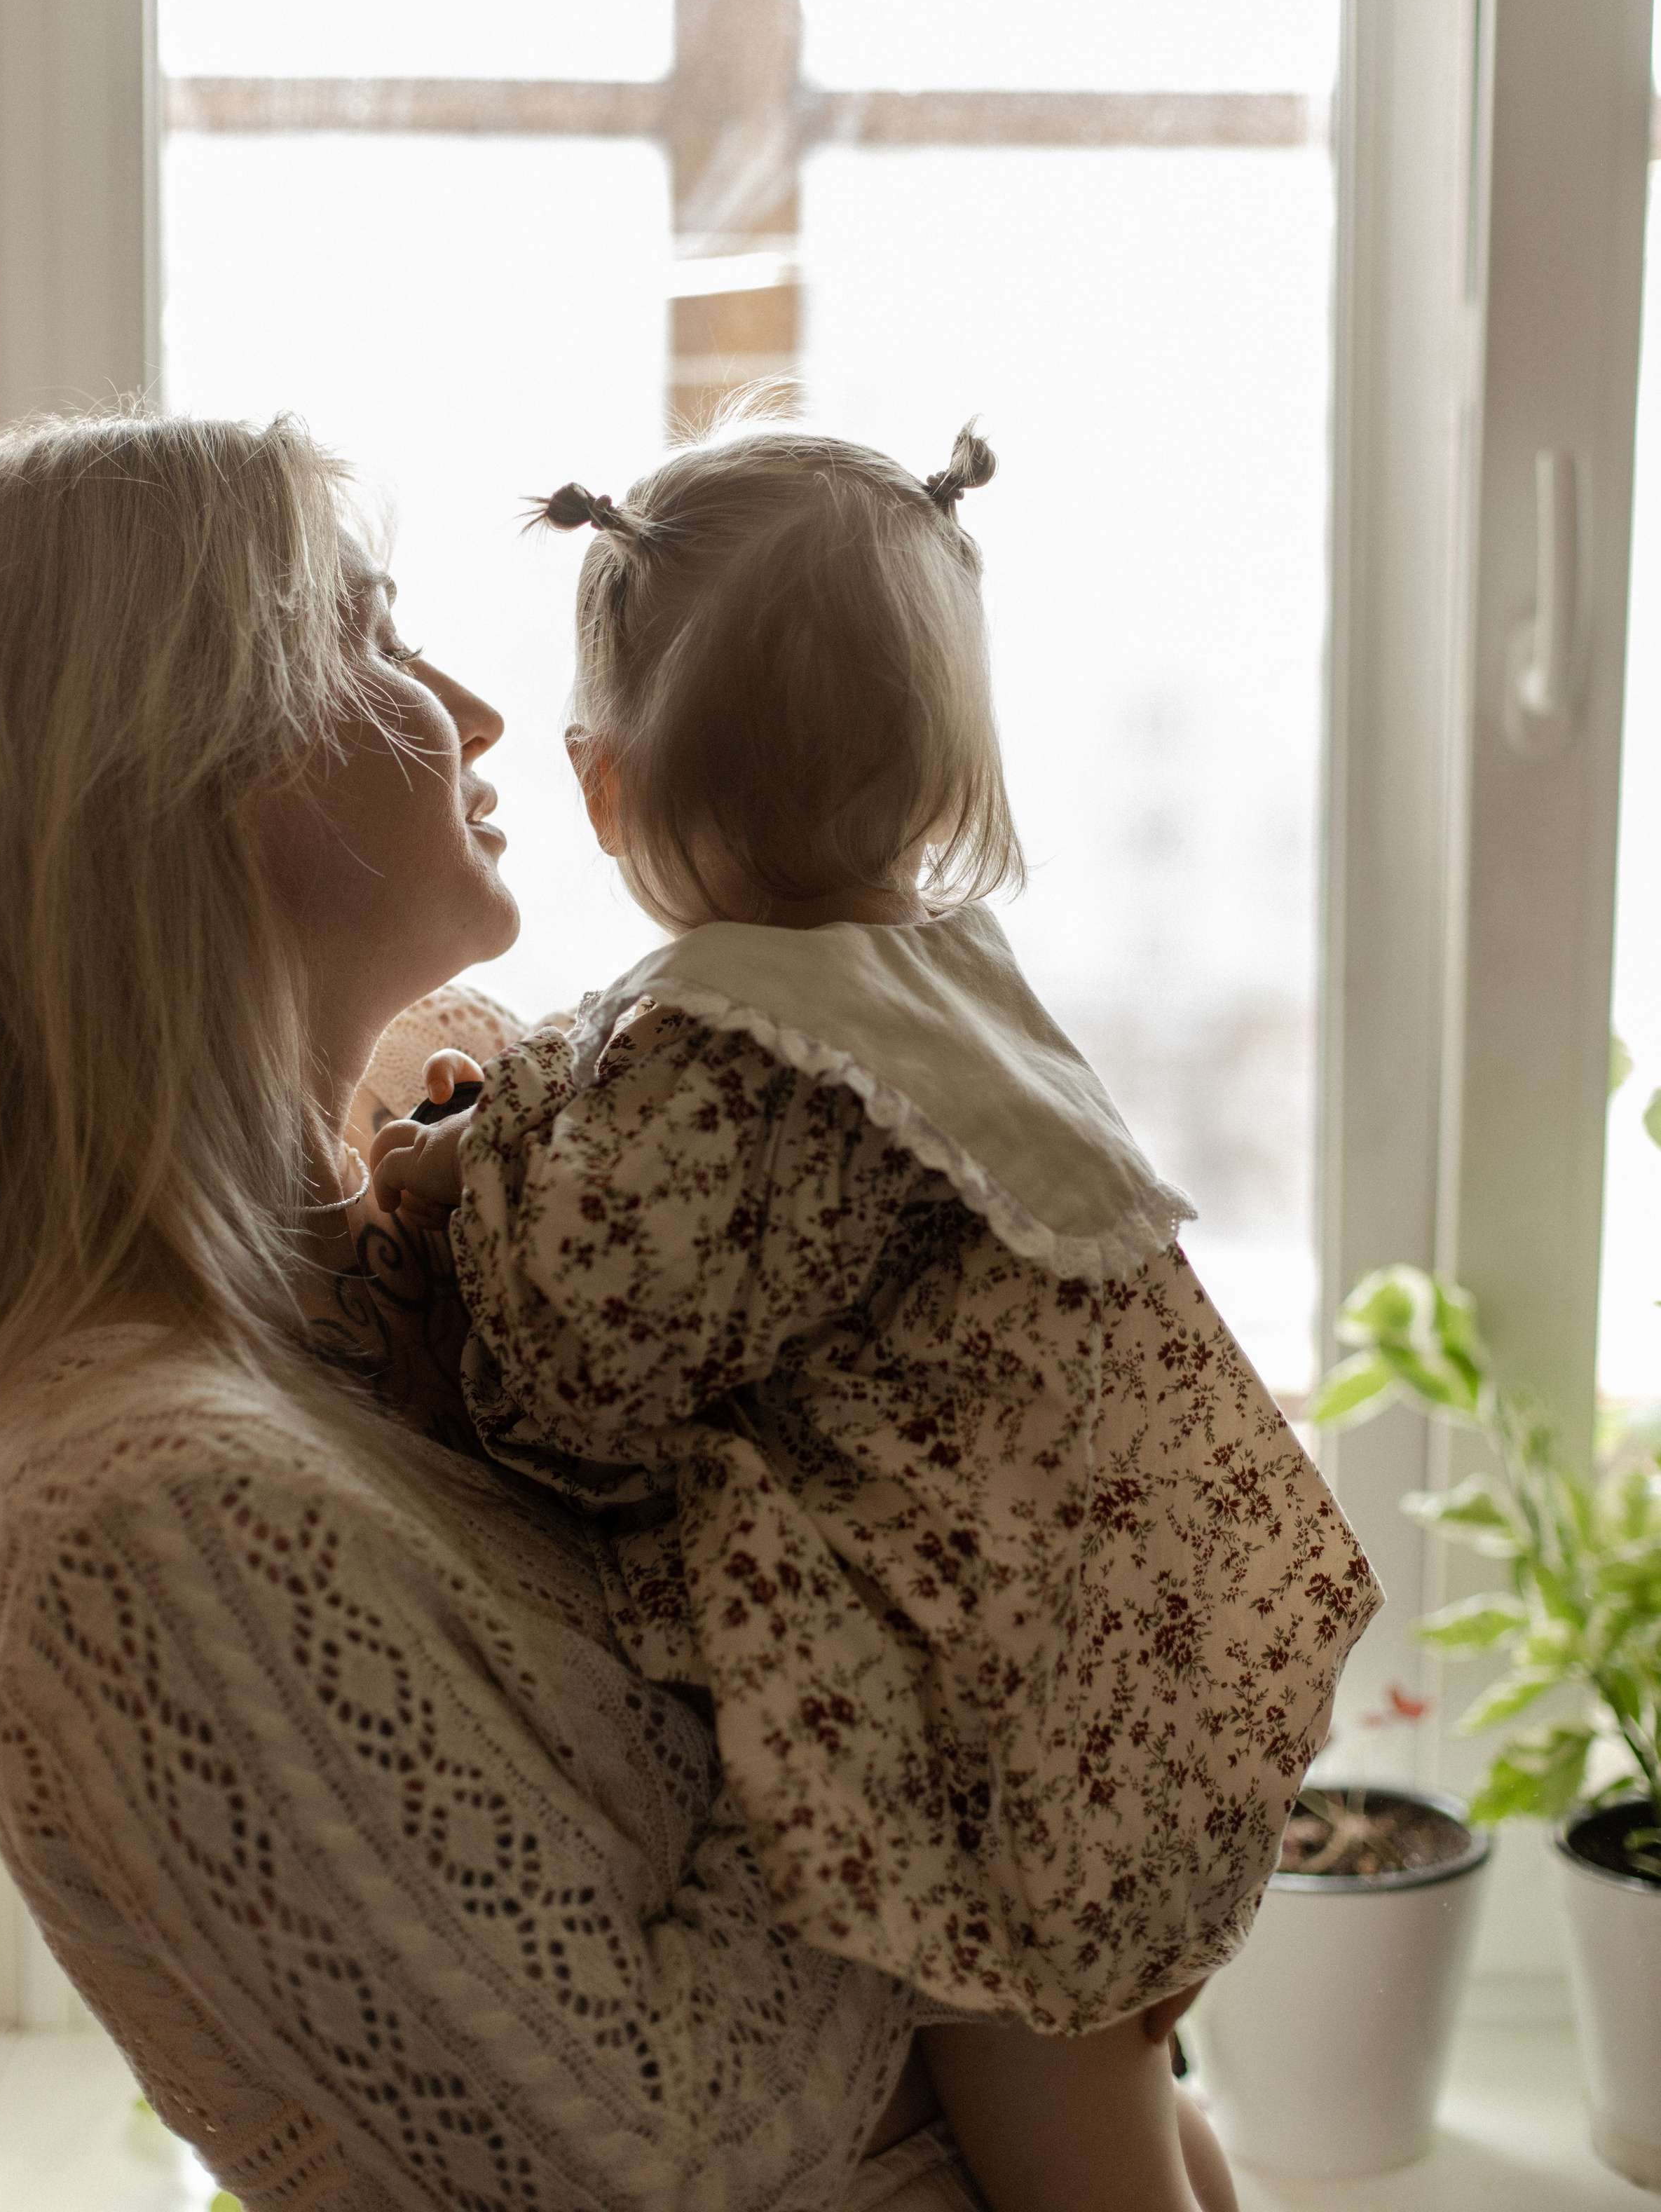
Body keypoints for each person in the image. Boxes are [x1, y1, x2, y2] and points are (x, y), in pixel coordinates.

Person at [0, 412, 980, 2212]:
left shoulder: (472, 1160)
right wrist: (930, 1649)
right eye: (366, 638)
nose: (469, 709)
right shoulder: (131, 1515)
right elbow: (656, 2155)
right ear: (156, 780)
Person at [374, 424, 1383, 2212]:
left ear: (600, 788)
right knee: (1124, 2113)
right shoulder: (933, 989)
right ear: (934, 772)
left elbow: (578, 1378)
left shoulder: (725, 1053)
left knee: (1070, 2160)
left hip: (1006, 1754)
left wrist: (464, 1181)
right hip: (1128, 1675)